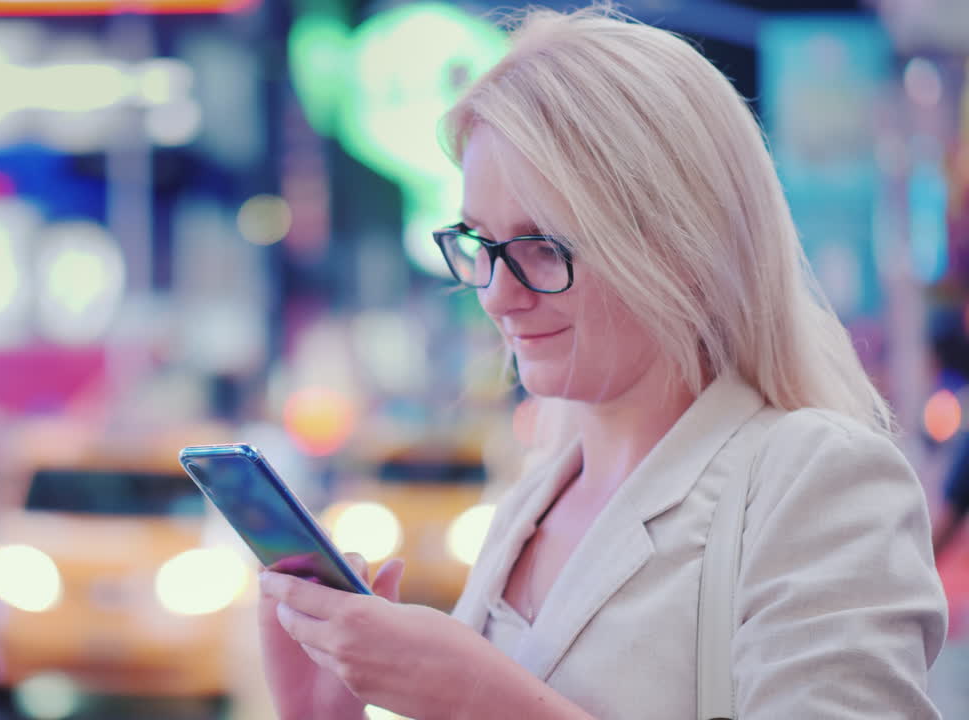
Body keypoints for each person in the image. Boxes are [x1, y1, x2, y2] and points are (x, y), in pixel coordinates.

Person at [256, 6, 948, 719]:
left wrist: (478, 694)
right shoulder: (533, 501)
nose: (495, 295)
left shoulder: (816, 479)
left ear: (681, 244)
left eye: (543, 247)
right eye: (480, 243)